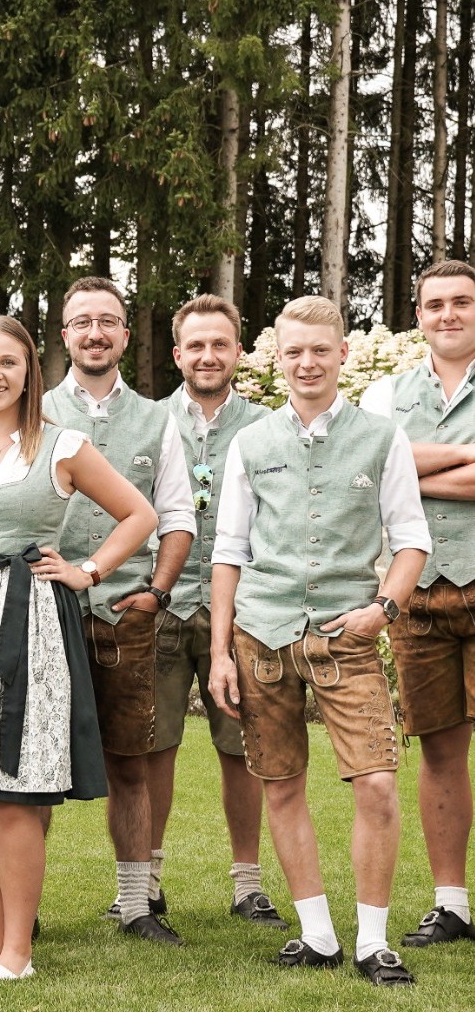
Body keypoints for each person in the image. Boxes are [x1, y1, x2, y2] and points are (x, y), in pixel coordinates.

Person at [0, 317, 155, 980]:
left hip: (28, 620)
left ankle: (18, 951)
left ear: (28, 373)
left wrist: (87, 570)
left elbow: (140, 514)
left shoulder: (62, 445)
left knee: (12, 788)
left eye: (8, 363)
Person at [210, 295, 430, 986]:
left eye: (319, 350)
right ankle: (316, 934)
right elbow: (229, 550)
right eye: (294, 352)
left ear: (342, 354)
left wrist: (382, 610)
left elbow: (411, 538)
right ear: (278, 358)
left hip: (347, 634)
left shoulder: (381, 438)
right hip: (261, 635)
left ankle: (372, 940)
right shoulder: (251, 443)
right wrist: (218, 653)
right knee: (280, 785)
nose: (307, 363)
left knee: (377, 783)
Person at [42, 277, 195, 945]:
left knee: (131, 762)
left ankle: (136, 905)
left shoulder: (158, 419)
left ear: (126, 336)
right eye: (82, 322)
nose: (94, 333)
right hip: (42, 609)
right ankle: (23, 904)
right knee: (34, 763)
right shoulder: (33, 409)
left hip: (125, 614)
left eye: (107, 321)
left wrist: (157, 591)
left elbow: (178, 515)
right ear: (64, 335)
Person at [154, 295, 286, 927]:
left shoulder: (268, 427)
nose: (208, 356)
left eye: (220, 344)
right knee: (153, 747)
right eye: (196, 345)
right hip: (163, 603)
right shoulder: (150, 422)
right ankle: (142, 882)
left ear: (238, 351)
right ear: (177, 354)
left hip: (243, 607)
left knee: (242, 749)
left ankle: (247, 884)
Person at [361, 260, 475, 948]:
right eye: (435, 304)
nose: (448, 314)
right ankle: (451, 903)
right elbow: (376, 472)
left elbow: (395, 467)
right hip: (419, 594)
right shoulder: (384, 393)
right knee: (439, 750)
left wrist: (411, 464)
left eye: (461, 301)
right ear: (418, 314)